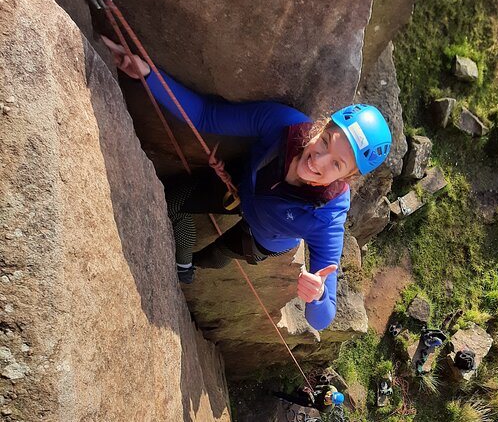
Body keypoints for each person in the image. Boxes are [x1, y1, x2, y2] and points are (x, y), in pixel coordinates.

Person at [102, 37, 393, 331]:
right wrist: (148, 75)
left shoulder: (327, 215)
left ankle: (188, 268)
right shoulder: (285, 127)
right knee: (173, 201)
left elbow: (323, 316)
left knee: (216, 256)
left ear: (346, 177)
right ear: (323, 125)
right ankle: (184, 261)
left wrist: (316, 296)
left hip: (264, 238)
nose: (318, 161)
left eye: (336, 164)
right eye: (326, 142)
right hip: (238, 190)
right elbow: (207, 115)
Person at [274, 384, 344, 414]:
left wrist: (309, 393)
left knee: (293, 399)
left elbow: (314, 403)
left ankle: (276, 393)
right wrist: (311, 389)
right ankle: (293, 389)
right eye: (331, 395)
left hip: (311, 402)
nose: (328, 396)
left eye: (330, 398)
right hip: (316, 394)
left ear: (332, 402)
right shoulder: (332, 389)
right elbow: (321, 387)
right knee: (299, 391)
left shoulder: (325, 408)